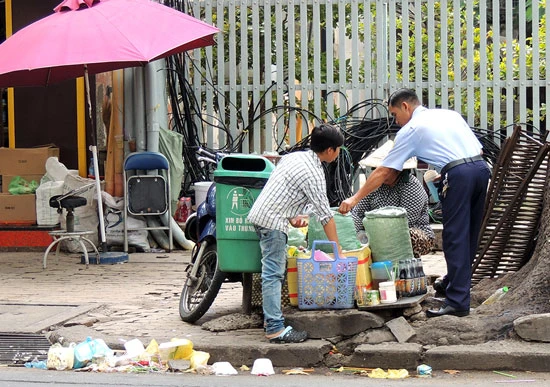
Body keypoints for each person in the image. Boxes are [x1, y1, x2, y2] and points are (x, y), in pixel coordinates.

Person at [339, 88, 491, 318]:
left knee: (454, 237)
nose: (395, 121)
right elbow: (477, 149)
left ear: (405, 107)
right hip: (481, 169)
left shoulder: (410, 129)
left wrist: (354, 198)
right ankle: (454, 284)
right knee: (468, 234)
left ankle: (458, 302)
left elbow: (383, 170)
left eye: (394, 114)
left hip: (459, 175)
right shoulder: (449, 115)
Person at [247, 124, 344, 343]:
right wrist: (338, 251)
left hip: (264, 215)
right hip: (273, 223)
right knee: (273, 273)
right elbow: (325, 216)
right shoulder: (313, 174)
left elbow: (282, 190)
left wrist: (293, 215)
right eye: (338, 149)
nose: (338, 153)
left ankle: (270, 319)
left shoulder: (295, 157)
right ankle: (274, 328)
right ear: (330, 150)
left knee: (273, 272)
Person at [352, 140, 435, 258]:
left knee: (408, 235)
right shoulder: (374, 186)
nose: (378, 173)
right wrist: (360, 231)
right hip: (375, 231)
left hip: (408, 232)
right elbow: (357, 212)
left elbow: (404, 221)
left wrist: (375, 229)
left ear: (397, 169)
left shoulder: (412, 186)